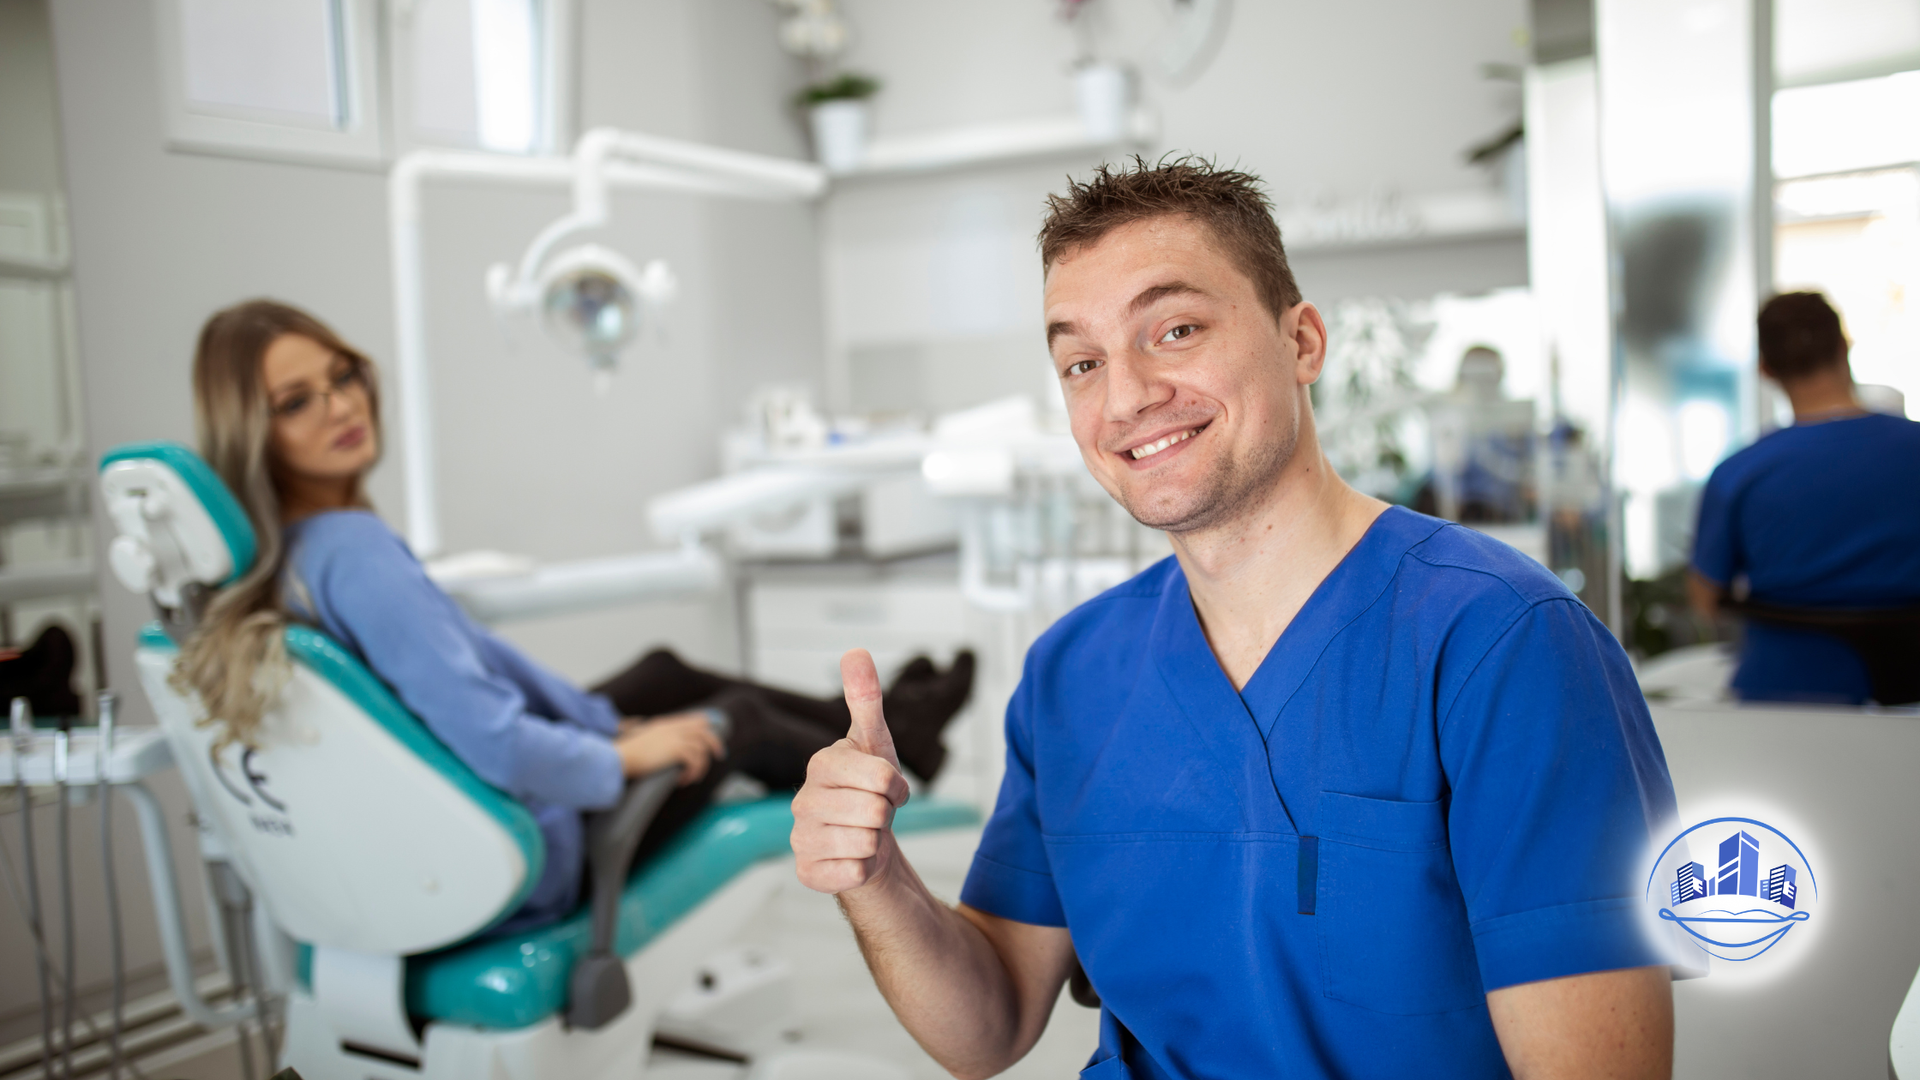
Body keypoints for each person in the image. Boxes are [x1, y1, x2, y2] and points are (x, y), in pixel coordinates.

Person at [791, 158, 1676, 1079]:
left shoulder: (1503, 642)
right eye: (1082, 363)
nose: (1126, 396)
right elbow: (989, 1027)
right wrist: (879, 881)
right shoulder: (1071, 674)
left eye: (1173, 331)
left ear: (1302, 342)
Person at [170, 299, 974, 932]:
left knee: (663, 674)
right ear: (254, 432)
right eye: (295, 402)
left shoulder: (291, 556)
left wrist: (603, 727)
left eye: (341, 376)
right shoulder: (355, 554)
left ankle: (900, 720)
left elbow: (458, 700)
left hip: (464, 814)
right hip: (532, 847)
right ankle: (899, 765)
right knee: (735, 723)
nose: (338, 406)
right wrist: (618, 757)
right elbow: (489, 738)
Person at [1688, 291, 1920, 704]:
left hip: (1787, 705)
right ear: (1844, 346)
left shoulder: (1740, 473)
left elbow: (1705, 599)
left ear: (1764, 368)